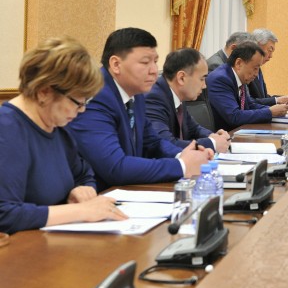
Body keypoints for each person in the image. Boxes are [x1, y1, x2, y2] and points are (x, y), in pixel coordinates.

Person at [0, 37, 127, 234]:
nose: (82, 110)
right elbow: (5, 214)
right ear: (44, 92)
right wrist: (80, 211)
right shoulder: (7, 129)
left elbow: (83, 174)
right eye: (78, 102)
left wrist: (84, 189)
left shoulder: (57, 125)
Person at [71, 28, 212, 191]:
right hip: (97, 196)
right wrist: (182, 165)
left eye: (155, 61)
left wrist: (183, 154)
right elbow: (115, 167)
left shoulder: (135, 93)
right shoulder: (95, 96)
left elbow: (152, 142)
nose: (154, 70)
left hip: (127, 191)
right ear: (116, 64)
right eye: (145, 63)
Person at [145, 48, 230, 153]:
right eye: (202, 79)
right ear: (181, 78)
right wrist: (212, 143)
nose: (204, 86)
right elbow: (164, 143)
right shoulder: (154, 98)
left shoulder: (178, 95)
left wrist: (213, 136)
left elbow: (193, 128)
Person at [207, 41, 288, 130]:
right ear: (239, 63)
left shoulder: (239, 77)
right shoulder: (220, 79)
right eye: (255, 68)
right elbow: (234, 116)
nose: (256, 74)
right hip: (224, 134)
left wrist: (275, 109)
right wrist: (270, 112)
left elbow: (249, 105)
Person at [247, 28, 288, 106]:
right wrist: (277, 100)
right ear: (257, 45)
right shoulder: (247, 69)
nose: (271, 56)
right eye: (270, 50)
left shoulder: (258, 69)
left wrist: (286, 98)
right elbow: (248, 102)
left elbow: (263, 98)